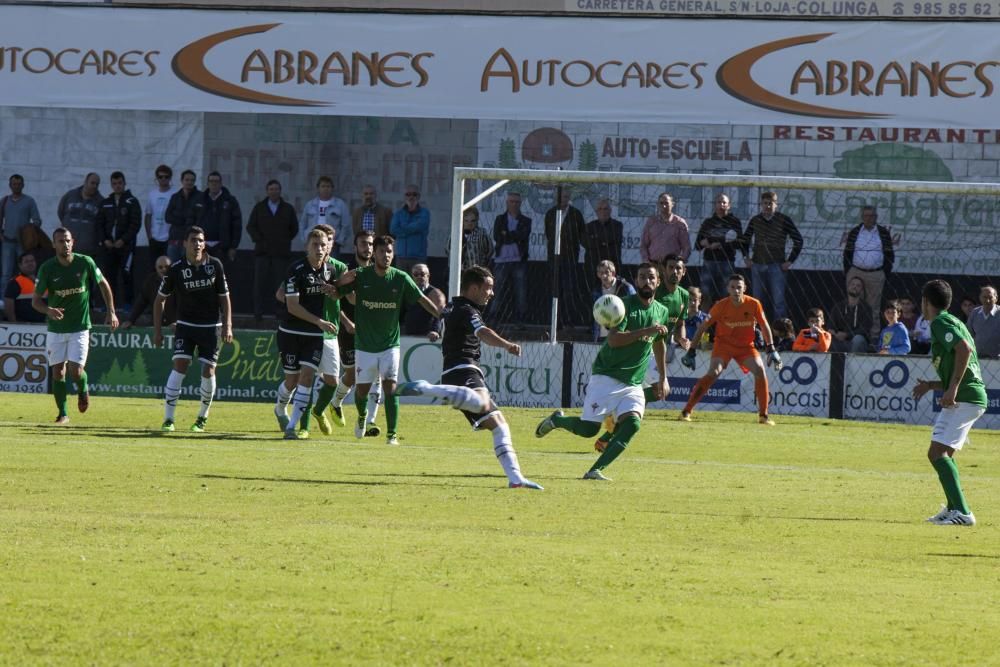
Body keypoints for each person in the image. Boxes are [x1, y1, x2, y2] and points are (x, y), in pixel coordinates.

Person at [395, 266, 543, 490]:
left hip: (456, 371)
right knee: (483, 403)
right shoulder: (467, 311)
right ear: (474, 288)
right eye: (488, 288)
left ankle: (516, 479)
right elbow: (482, 332)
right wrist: (507, 345)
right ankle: (426, 389)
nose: (491, 293)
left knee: (499, 424)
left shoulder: (454, 306)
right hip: (463, 369)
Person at [534, 263, 670, 481]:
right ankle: (557, 421)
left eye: (651, 277)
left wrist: (663, 378)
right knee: (588, 430)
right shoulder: (623, 306)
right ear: (636, 281)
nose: (647, 281)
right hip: (607, 375)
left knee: (633, 424)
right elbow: (614, 340)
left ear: (658, 282)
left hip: (633, 383)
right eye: (642, 277)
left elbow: (659, 344)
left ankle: (595, 470)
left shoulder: (662, 311)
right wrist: (647, 331)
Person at [333, 235, 442, 445]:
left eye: (390, 251)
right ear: (375, 254)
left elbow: (421, 299)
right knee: (362, 390)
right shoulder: (362, 275)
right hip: (364, 345)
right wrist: (335, 285)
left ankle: (392, 435)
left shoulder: (401, 278)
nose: (386, 255)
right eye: (382, 251)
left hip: (390, 345)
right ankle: (363, 416)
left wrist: (441, 314)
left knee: (390, 387)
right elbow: (338, 292)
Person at [593, 256, 690, 453]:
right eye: (670, 267)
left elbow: (680, 323)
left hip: (656, 346)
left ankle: (608, 432)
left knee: (656, 392)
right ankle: (614, 419)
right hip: (642, 348)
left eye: (678, 268)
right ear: (663, 272)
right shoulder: (654, 291)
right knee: (660, 390)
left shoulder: (684, 296)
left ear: (684, 272)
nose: (674, 272)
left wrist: (682, 338)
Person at [912, 279, 987, 526]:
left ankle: (964, 513)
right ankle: (954, 508)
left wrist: (953, 388)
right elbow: (959, 358)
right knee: (946, 453)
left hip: (964, 397)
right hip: (970, 396)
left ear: (926, 302)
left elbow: (964, 350)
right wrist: (932, 386)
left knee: (936, 452)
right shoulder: (954, 321)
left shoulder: (940, 322)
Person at [32, 228, 119, 424]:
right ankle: (62, 414)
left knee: (75, 371)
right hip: (56, 329)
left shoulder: (85, 262)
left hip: (80, 327)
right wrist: (48, 311)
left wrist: (111, 311)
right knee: (58, 372)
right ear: (54, 244)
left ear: (73, 242)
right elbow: (35, 301)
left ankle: (82, 389)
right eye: (61, 241)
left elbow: (104, 284)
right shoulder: (47, 268)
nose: (65, 244)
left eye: (68, 240)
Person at [273, 224, 350, 437]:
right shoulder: (296, 269)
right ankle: (280, 408)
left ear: (328, 248)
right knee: (292, 381)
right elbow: (292, 305)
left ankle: (294, 427)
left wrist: (339, 291)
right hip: (291, 331)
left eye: (323, 245)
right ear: (307, 247)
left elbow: (341, 297)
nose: (319, 248)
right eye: (315, 244)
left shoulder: (333, 270)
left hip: (316, 334)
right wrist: (319, 321)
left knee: (307, 378)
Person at [154, 226, 232, 433]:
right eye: (193, 240)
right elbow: (159, 300)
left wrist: (228, 326)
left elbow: (225, 299)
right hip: (186, 325)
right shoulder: (176, 268)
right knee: (180, 366)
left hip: (211, 326)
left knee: (208, 370)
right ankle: (168, 419)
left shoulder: (215, 265)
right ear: (185, 243)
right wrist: (158, 331)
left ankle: (202, 418)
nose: (197, 244)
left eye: (200, 240)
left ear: (204, 243)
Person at [679, 274, 782, 425]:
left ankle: (763, 416)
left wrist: (771, 348)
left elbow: (764, 325)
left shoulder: (754, 304)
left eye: (739, 287)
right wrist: (692, 351)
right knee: (714, 372)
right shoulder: (720, 306)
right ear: (728, 289)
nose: (736, 290)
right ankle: (686, 411)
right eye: (732, 287)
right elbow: (702, 327)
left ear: (744, 289)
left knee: (760, 370)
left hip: (746, 347)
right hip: (723, 346)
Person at [329, 230, 382, 435]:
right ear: (355, 247)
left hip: (372, 332)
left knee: (375, 375)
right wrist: (347, 322)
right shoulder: (346, 271)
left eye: (370, 244)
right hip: (348, 329)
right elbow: (334, 300)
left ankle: (370, 421)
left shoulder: (380, 271)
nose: (367, 248)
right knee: (352, 374)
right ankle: (336, 401)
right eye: (363, 243)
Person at [741, 191, 803, 321]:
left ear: (776, 205)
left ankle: (781, 333)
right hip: (757, 264)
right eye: (765, 203)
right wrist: (746, 257)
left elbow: (798, 240)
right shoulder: (755, 220)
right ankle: (755, 330)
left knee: (778, 302)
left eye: (770, 203)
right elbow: (745, 239)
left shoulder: (784, 220)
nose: (767, 206)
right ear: (761, 204)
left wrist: (790, 261)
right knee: (756, 301)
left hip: (777, 266)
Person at [246, 179, 298, 323]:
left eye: (276, 189)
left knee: (280, 285)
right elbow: (251, 226)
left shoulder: (288, 208)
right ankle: (258, 313)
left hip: (281, 254)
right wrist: (260, 240)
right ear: (267, 191)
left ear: (280, 191)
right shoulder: (259, 208)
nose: (274, 191)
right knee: (259, 285)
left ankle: (280, 313)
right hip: (262, 253)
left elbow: (294, 228)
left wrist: (283, 240)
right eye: (271, 189)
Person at [843, 206, 895, 339]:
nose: (869, 218)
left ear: (876, 217)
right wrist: (849, 270)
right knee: (853, 303)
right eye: (866, 216)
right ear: (862, 217)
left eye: (872, 216)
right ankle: (850, 334)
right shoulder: (855, 232)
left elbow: (889, 254)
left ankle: (873, 338)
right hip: (856, 272)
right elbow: (847, 252)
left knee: (874, 307)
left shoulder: (883, 233)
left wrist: (884, 272)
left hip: (875, 274)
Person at [96, 171, 142, 311]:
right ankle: (109, 305)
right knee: (109, 276)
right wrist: (105, 240)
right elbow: (99, 224)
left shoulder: (132, 201)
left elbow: (135, 224)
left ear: (124, 183)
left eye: (120, 183)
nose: (117, 186)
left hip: (126, 247)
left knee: (126, 275)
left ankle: (128, 304)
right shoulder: (106, 203)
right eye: (114, 184)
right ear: (111, 185)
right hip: (109, 247)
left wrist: (123, 240)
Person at [544, 188, 587, 326]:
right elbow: (548, 234)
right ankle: (554, 322)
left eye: (567, 196)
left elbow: (581, 235)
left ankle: (568, 321)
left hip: (570, 260)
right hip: (554, 260)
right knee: (554, 290)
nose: (564, 199)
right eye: (562, 196)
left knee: (569, 291)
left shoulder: (576, 214)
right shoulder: (550, 213)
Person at [695, 193, 743, 307]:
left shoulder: (734, 222)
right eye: (719, 202)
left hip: (727, 262)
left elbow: (739, 243)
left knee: (726, 294)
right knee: (705, 294)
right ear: (715, 205)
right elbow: (698, 244)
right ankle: (704, 321)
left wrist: (718, 243)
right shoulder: (708, 222)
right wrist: (707, 244)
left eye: (724, 202)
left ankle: (725, 322)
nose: (721, 205)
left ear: (729, 205)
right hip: (709, 261)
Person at [491, 191, 531, 325]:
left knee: (521, 292)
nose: (514, 204)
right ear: (507, 203)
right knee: (497, 291)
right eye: (511, 201)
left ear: (520, 203)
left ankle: (520, 320)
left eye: (516, 202)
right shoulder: (499, 219)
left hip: (519, 261)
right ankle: (494, 318)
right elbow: (497, 237)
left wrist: (507, 235)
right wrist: (513, 236)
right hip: (500, 261)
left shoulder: (526, 220)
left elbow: (522, 236)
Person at [194, 171, 242, 270]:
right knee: (201, 276)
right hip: (203, 246)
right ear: (207, 183)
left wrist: (233, 246)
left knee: (220, 276)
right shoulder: (199, 200)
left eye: (216, 181)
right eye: (211, 181)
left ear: (221, 183)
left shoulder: (230, 200)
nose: (214, 184)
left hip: (222, 247)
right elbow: (191, 221)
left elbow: (236, 225)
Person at [2, 174, 43, 288]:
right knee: (6, 274)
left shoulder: (29, 201)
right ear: (10, 185)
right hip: (7, 242)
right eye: (14, 184)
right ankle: (4, 300)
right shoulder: (5, 201)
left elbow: (37, 220)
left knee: (26, 272)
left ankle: (26, 295)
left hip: (23, 244)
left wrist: (30, 230)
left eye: (19, 184)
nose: (16, 186)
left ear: (23, 185)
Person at [123, 255, 175, 329]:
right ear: (156, 268)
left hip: (176, 327)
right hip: (157, 326)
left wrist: (178, 323)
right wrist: (130, 320)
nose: (164, 269)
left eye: (167, 267)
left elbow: (184, 305)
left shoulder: (178, 280)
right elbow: (141, 302)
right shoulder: (151, 281)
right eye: (160, 267)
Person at [301, 176, 349, 256]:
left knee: (331, 267)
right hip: (313, 242)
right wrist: (305, 239)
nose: (326, 189)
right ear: (318, 188)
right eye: (323, 186)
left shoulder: (340, 205)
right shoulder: (310, 205)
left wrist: (339, 241)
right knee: (313, 267)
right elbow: (302, 223)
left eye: (328, 186)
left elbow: (346, 225)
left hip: (332, 244)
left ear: (332, 188)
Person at [57, 173, 103, 256]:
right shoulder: (70, 196)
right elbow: (61, 212)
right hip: (66, 245)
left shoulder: (100, 202)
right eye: (92, 183)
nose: (94, 186)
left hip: (87, 249)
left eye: (97, 184)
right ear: (85, 182)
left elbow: (101, 223)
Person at [591, 260, 635, 342]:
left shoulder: (626, 288)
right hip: (601, 336)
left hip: (621, 335)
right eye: (601, 273)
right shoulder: (596, 291)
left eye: (607, 272)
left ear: (613, 273)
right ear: (598, 275)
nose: (604, 275)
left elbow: (635, 308)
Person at [640, 192, 690, 264]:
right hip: (653, 264)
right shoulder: (651, 222)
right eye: (661, 203)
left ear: (672, 204)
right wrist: (646, 261)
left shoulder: (680, 223)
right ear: (658, 204)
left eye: (666, 203)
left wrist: (681, 262)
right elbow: (644, 245)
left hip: (672, 266)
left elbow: (686, 247)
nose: (663, 206)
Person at [390, 184, 430, 273]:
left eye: (414, 194)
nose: (411, 197)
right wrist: (412, 229)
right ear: (404, 197)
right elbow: (393, 230)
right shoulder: (398, 213)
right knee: (400, 285)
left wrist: (402, 229)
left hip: (418, 258)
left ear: (419, 197)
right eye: (408, 194)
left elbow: (420, 226)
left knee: (417, 285)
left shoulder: (425, 213)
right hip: (401, 258)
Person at [583, 199, 624, 284]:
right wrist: (604, 243)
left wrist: (595, 239)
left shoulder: (617, 225)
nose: (603, 211)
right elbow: (586, 243)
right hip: (593, 267)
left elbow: (613, 240)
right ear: (596, 211)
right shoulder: (589, 227)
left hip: (612, 267)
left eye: (605, 209)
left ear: (610, 211)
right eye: (600, 209)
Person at [828, 277, 873, 353]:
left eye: (858, 286)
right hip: (838, 339)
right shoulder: (838, 306)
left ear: (862, 290)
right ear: (848, 287)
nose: (854, 287)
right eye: (852, 284)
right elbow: (830, 326)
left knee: (858, 339)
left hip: (856, 339)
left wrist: (847, 335)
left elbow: (864, 329)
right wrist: (835, 334)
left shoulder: (866, 308)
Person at [402, 263, 446, 339]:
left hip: (427, 339)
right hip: (408, 337)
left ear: (428, 275)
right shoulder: (407, 292)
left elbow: (440, 315)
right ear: (412, 276)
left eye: (422, 274)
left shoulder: (435, 293)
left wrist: (435, 330)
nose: (419, 277)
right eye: (416, 274)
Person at [164, 170, 199, 262]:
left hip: (191, 241)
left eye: (192, 180)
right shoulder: (175, 197)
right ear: (182, 181)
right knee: (173, 269)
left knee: (189, 269)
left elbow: (200, 218)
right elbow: (167, 217)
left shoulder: (200, 197)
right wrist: (183, 220)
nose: (189, 182)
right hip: (175, 240)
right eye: (187, 180)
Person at [448, 205, 493, 272]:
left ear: (477, 220)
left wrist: (483, 264)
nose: (469, 224)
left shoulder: (482, 233)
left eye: (473, 221)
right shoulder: (457, 233)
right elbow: (448, 249)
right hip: (459, 271)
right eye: (466, 221)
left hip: (477, 270)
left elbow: (490, 250)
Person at [145, 165, 175, 262]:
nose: (163, 179)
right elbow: (148, 215)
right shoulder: (152, 194)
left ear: (170, 178)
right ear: (157, 178)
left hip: (169, 238)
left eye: (166, 177)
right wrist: (149, 236)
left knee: (169, 267)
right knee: (154, 267)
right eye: (160, 177)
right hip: (154, 237)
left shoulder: (175, 194)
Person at [4, 252, 45, 323]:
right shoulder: (15, 282)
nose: (30, 263)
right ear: (20, 265)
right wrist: (13, 323)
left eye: (32, 261)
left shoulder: (42, 281)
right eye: (26, 261)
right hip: (22, 327)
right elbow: (8, 305)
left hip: (41, 326)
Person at [351, 184, 392, 252]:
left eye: (371, 194)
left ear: (376, 195)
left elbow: (390, 233)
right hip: (362, 247)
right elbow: (355, 231)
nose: (368, 196)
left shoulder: (386, 212)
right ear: (362, 196)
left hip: (379, 247)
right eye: (366, 194)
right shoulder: (357, 212)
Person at [966, 285, 999, 359]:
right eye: (984, 297)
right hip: (977, 357)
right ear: (980, 298)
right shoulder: (974, 313)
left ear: (996, 298)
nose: (987, 300)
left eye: (990, 297)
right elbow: (968, 334)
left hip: (997, 359)